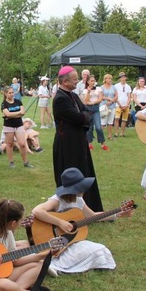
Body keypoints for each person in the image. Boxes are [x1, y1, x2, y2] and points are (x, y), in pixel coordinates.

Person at [32, 168, 125, 276]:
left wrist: (117, 214)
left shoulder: (79, 200)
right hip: (54, 242)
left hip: (70, 243)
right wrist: (59, 222)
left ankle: (52, 265)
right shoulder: (56, 200)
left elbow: (93, 216)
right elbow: (37, 211)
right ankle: (51, 264)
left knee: (101, 250)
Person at [52, 66, 104, 213]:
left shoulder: (73, 96)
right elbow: (80, 117)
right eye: (74, 79)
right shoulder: (60, 98)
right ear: (65, 81)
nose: (77, 82)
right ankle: (70, 210)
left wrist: (84, 117)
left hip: (79, 142)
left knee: (84, 172)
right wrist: (84, 117)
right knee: (72, 175)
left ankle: (89, 209)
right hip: (67, 145)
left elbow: (86, 112)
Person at [0, 86, 33, 168]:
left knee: (22, 144)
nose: (12, 94)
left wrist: (12, 115)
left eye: (12, 92)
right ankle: (11, 162)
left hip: (19, 125)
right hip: (8, 125)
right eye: (10, 93)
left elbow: (23, 112)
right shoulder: (4, 104)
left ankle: (26, 162)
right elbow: (7, 114)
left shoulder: (18, 101)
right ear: (5, 93)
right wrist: (18, 113)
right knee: (10, 144)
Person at [81, 75, 108, 151]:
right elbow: (86, 101)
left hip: (96, 108)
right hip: (88, 109)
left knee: (99, 128)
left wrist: (93, 102)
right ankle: (89, 144)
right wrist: (89, 92)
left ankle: (103, 144)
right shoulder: (85, 90)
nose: (93, 82)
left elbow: (100, 98)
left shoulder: (98, 89)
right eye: (91, 81)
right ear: (88, 82)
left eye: (94, 80)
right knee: (89, 128)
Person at [113, 72, 132, 137]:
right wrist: (120, 104)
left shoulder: (128, 86)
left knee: (124, 120)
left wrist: (126, 105)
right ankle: (116, 133)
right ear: (120, 78)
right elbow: (115, 96)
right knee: (117, 118)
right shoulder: (116, 86)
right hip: (118, 104)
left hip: (126, 105)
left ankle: (122, 133)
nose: (123, 78)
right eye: (122, 77)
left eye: (124, 77)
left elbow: (129, 96)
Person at [100, 74, 117, 140]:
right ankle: (100, 136)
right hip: (104, 106)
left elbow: (116, 95)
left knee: (110, 122)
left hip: (112, 106)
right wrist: (108, 99)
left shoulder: (113, 87)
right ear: (105, 79)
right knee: (103, 122)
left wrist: (112, 100)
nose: (109, 80)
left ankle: (110, 136)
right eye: (108, 78)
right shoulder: (102, 87)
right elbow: (101, 96)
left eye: (110, 78)